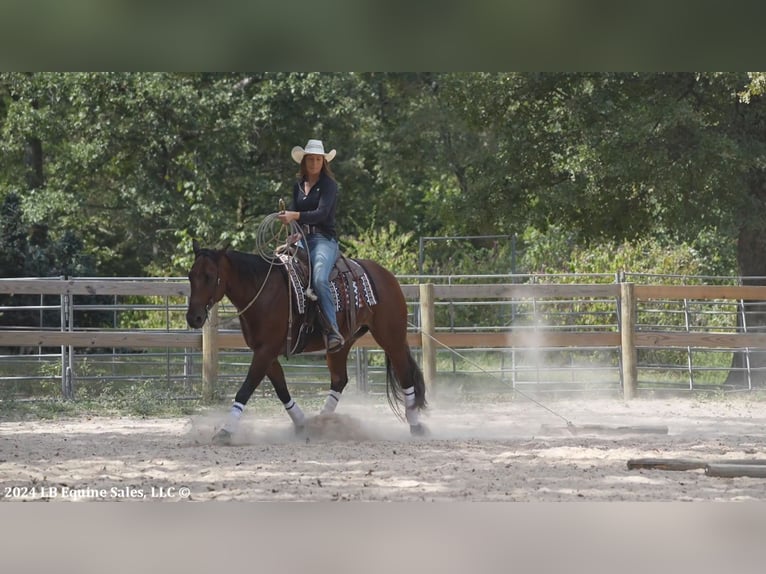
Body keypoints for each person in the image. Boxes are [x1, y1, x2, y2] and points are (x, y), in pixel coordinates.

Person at [277, 139, 345, 352]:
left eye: (318, 159)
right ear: (304, 162)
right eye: (311, 160)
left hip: (324, 240)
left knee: (318, 278)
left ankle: (333, 330)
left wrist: (294, 215)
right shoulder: (297, 186)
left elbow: (321, 214)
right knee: (279, 268)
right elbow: (296, 217)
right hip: (303, 241)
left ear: (323, 162)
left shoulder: (329, 185)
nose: (314, 163)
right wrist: (294, 234)